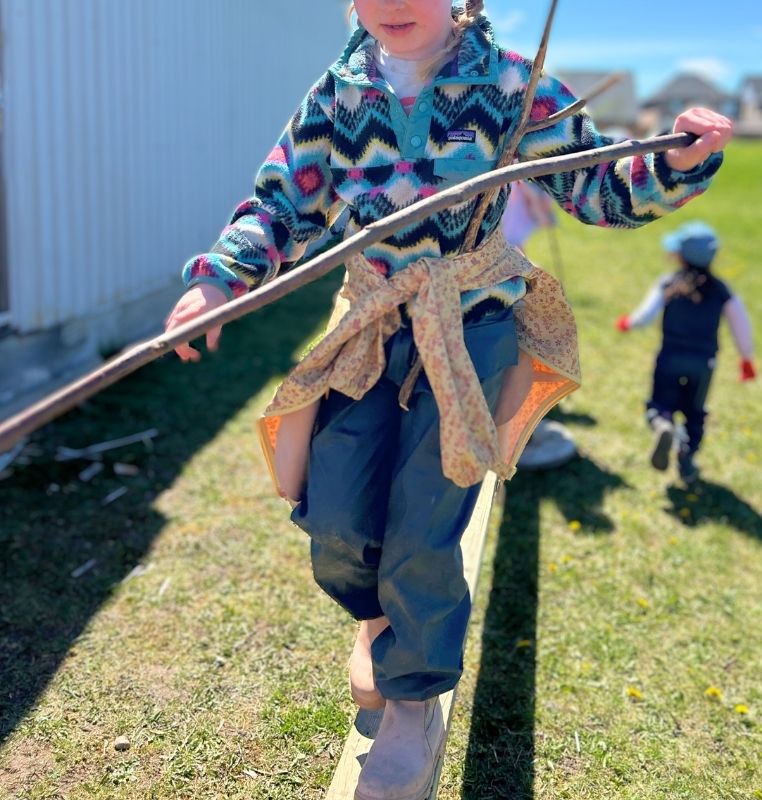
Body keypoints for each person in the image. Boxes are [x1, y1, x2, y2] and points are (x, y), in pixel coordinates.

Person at [164, 2, 732, 797]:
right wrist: (219, 280)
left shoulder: (510, 85)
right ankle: (375, 620)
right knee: (333, 513)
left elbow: (596, 184)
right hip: (369, 321)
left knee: (425, 522)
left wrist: (675, 160)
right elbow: (280, 201)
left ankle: (411, 704)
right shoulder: (340, 91)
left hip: (468, 329)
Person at [616, 221, 755, 484]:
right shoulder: (721, 290)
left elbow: (646, 314)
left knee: (660, 403)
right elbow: (741, 324)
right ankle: (687, 458)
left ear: (679, 255)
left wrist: (629, 323)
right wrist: (746, 358)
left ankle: (663, 424)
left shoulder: (669, 283)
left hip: (670, 357)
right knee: (695, 412)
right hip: (704, 362)